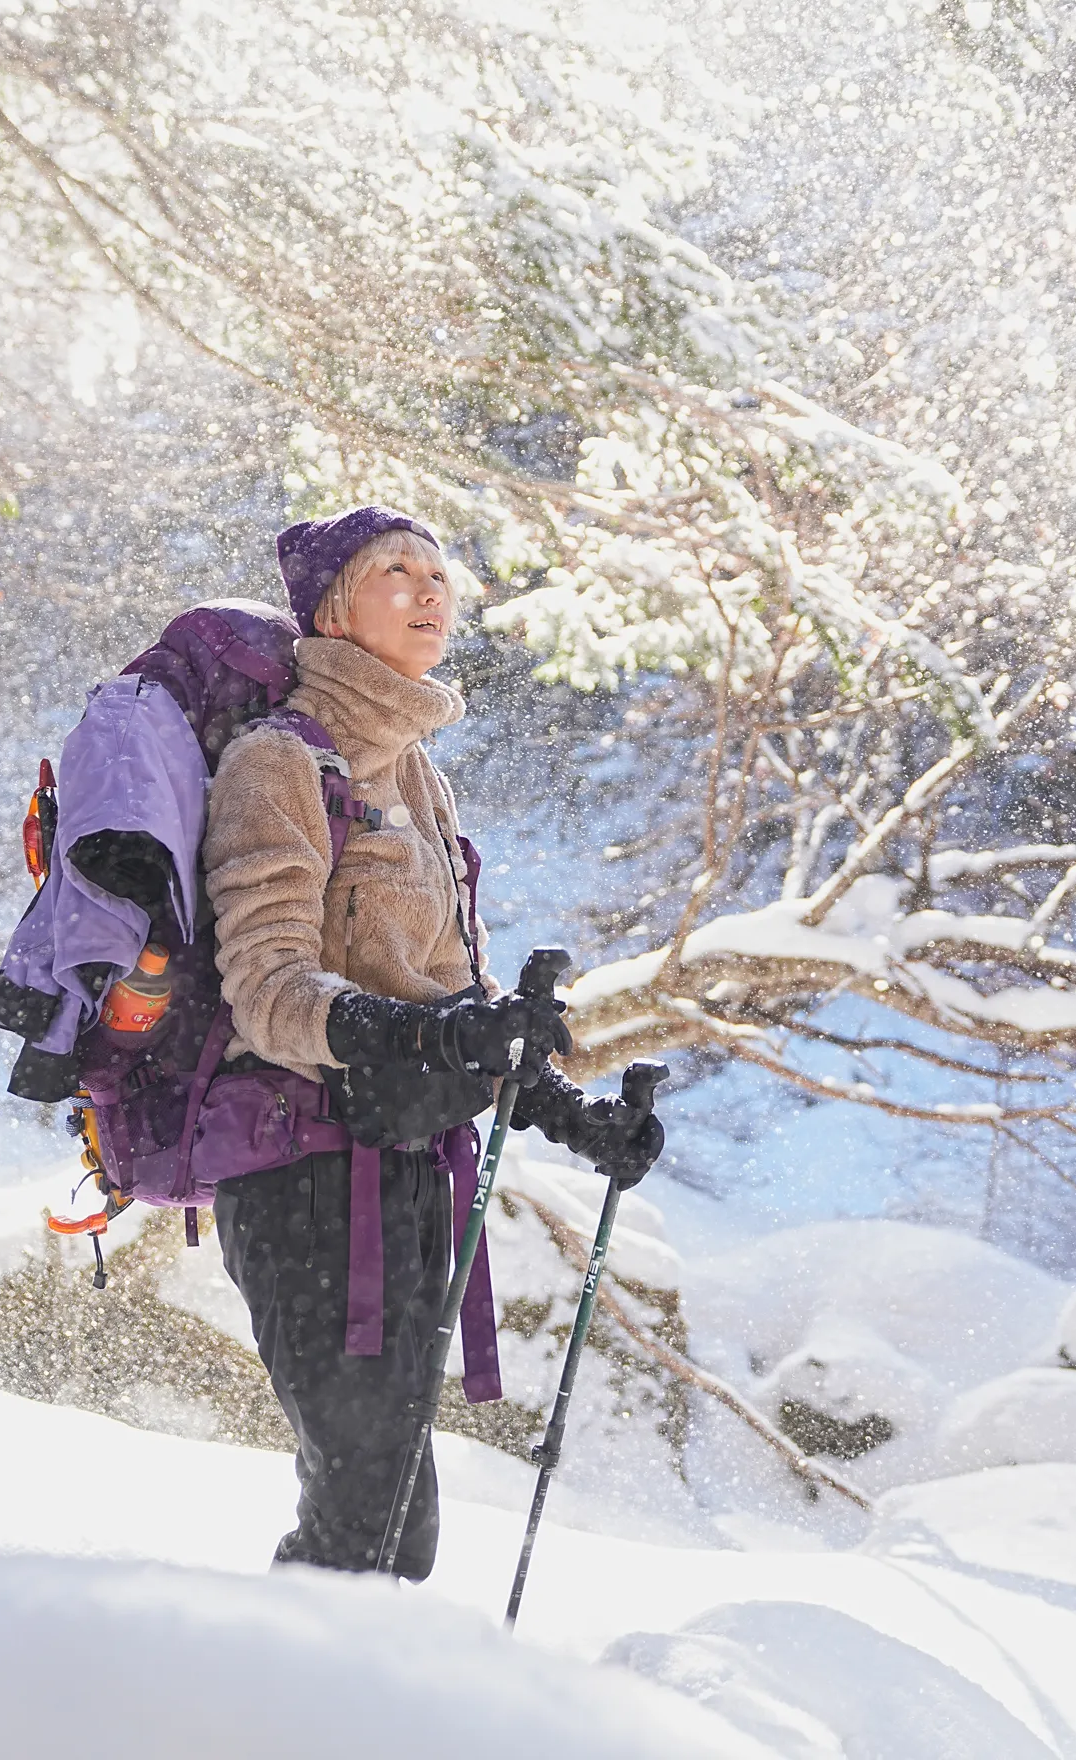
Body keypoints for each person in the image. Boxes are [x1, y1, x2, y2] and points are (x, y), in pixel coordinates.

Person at [203, 504, 663, 1578]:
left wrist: (576, 1119)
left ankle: (342, 1708)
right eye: (394, 572)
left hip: (411, 1175)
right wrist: (436, 1034)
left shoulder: (420, 779)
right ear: (328, 610)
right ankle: (249, 1705)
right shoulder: (278, 764)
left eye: (439, 576)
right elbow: (268, 993)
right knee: (361, 1508)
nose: (428, 592)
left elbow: (463, 1009)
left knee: (397, 1517)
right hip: (302, 1176)